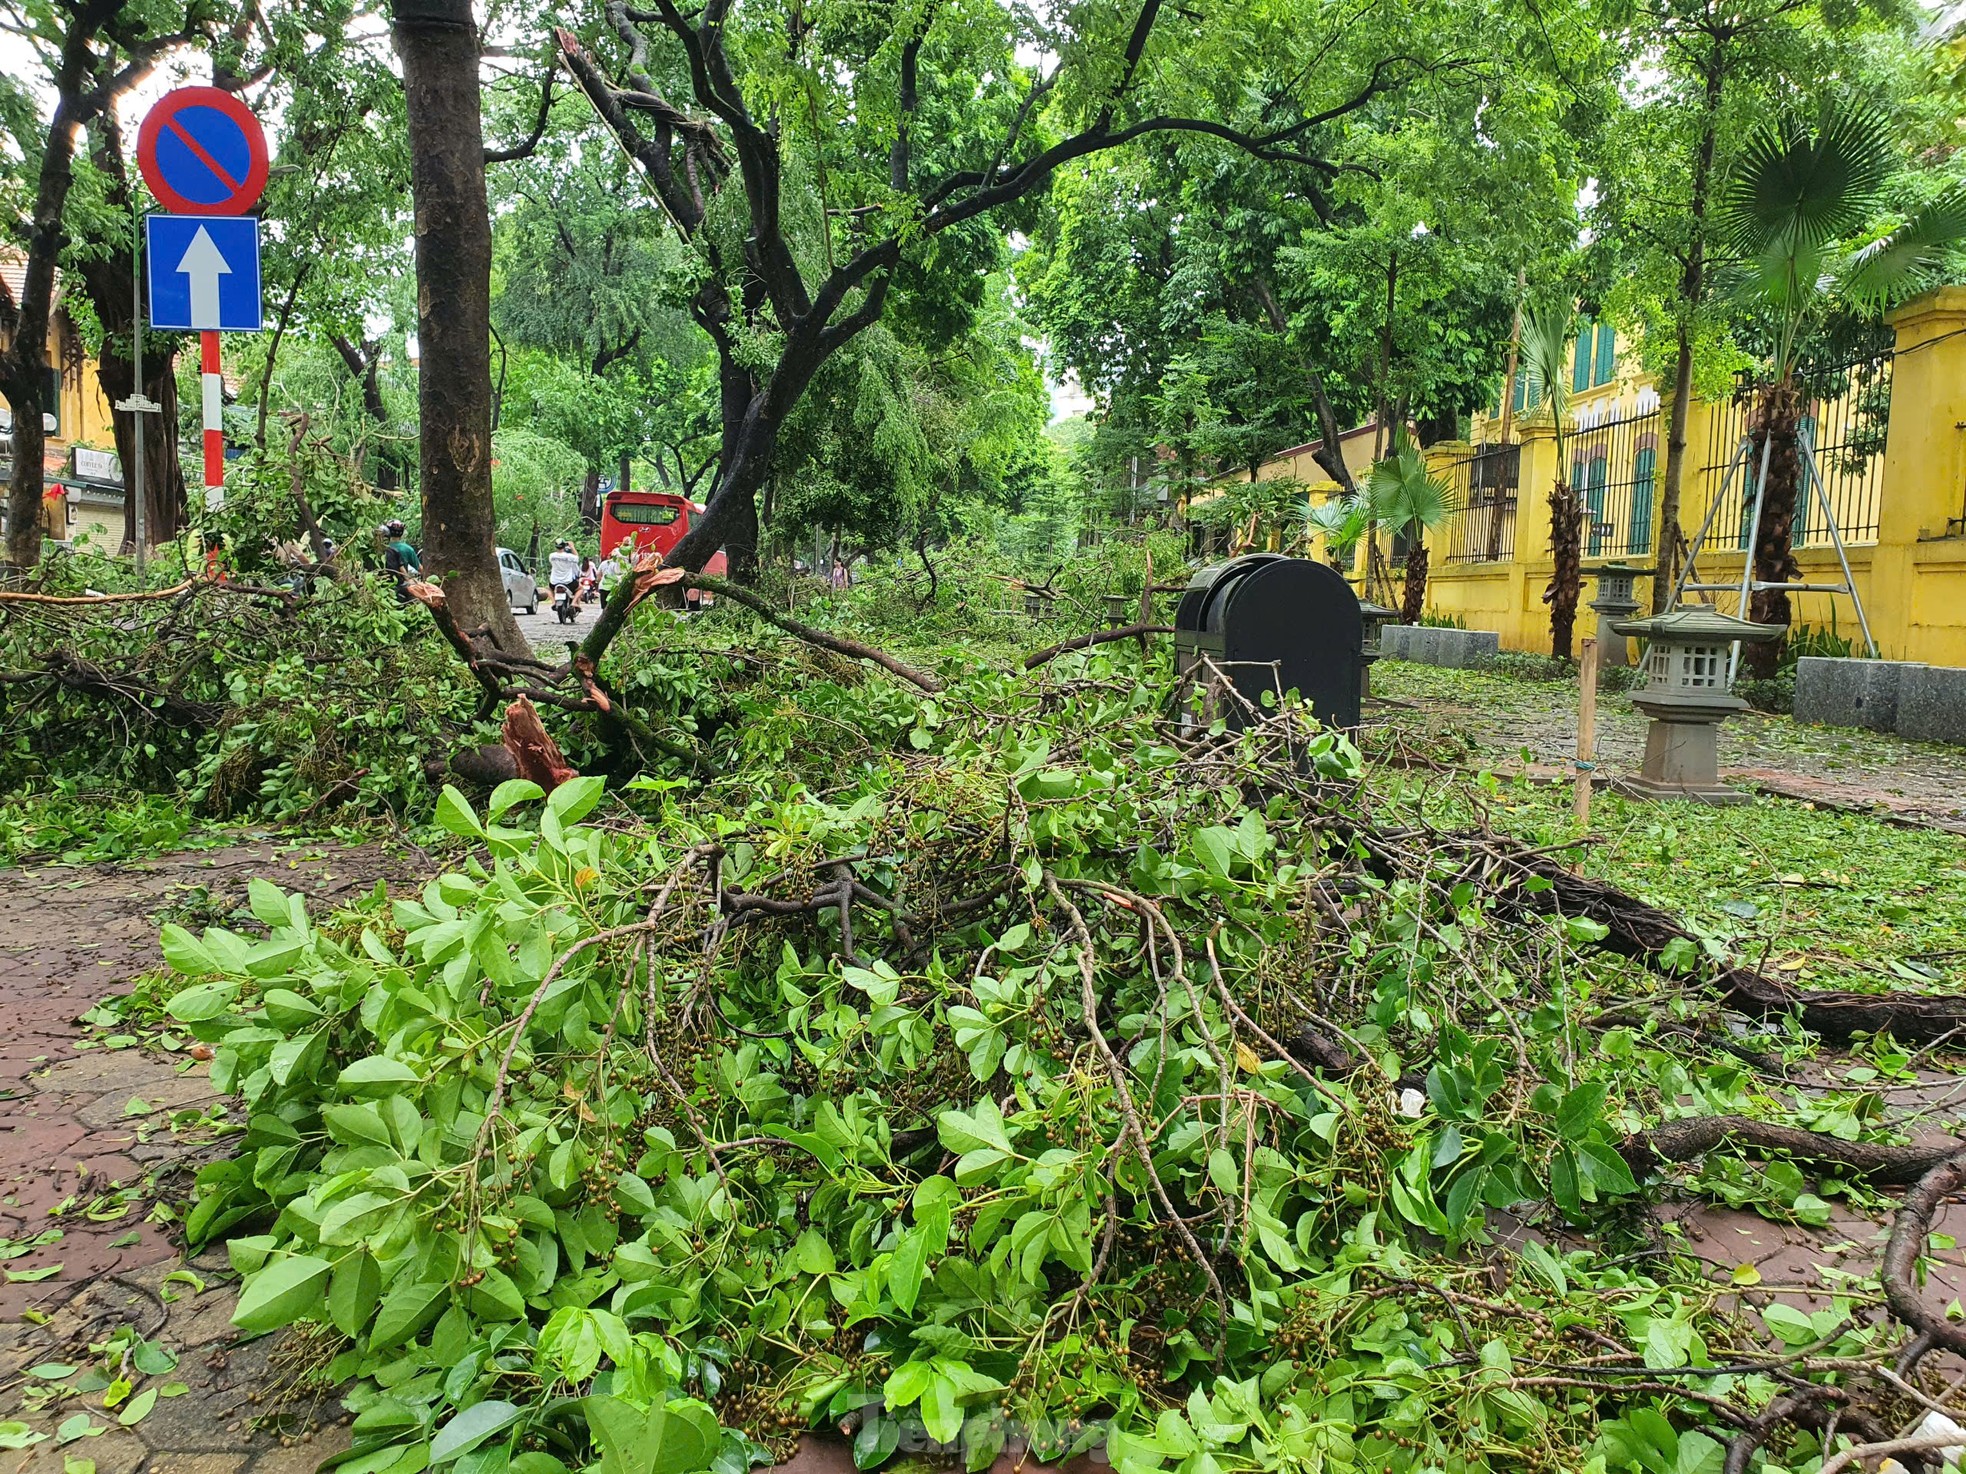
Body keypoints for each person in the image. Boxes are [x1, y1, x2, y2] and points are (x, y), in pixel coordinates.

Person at [379, 520, 420, 602]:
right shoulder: (407, 549)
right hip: (399, 584)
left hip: (382, 585)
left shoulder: (378, 550)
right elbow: (419, 569)